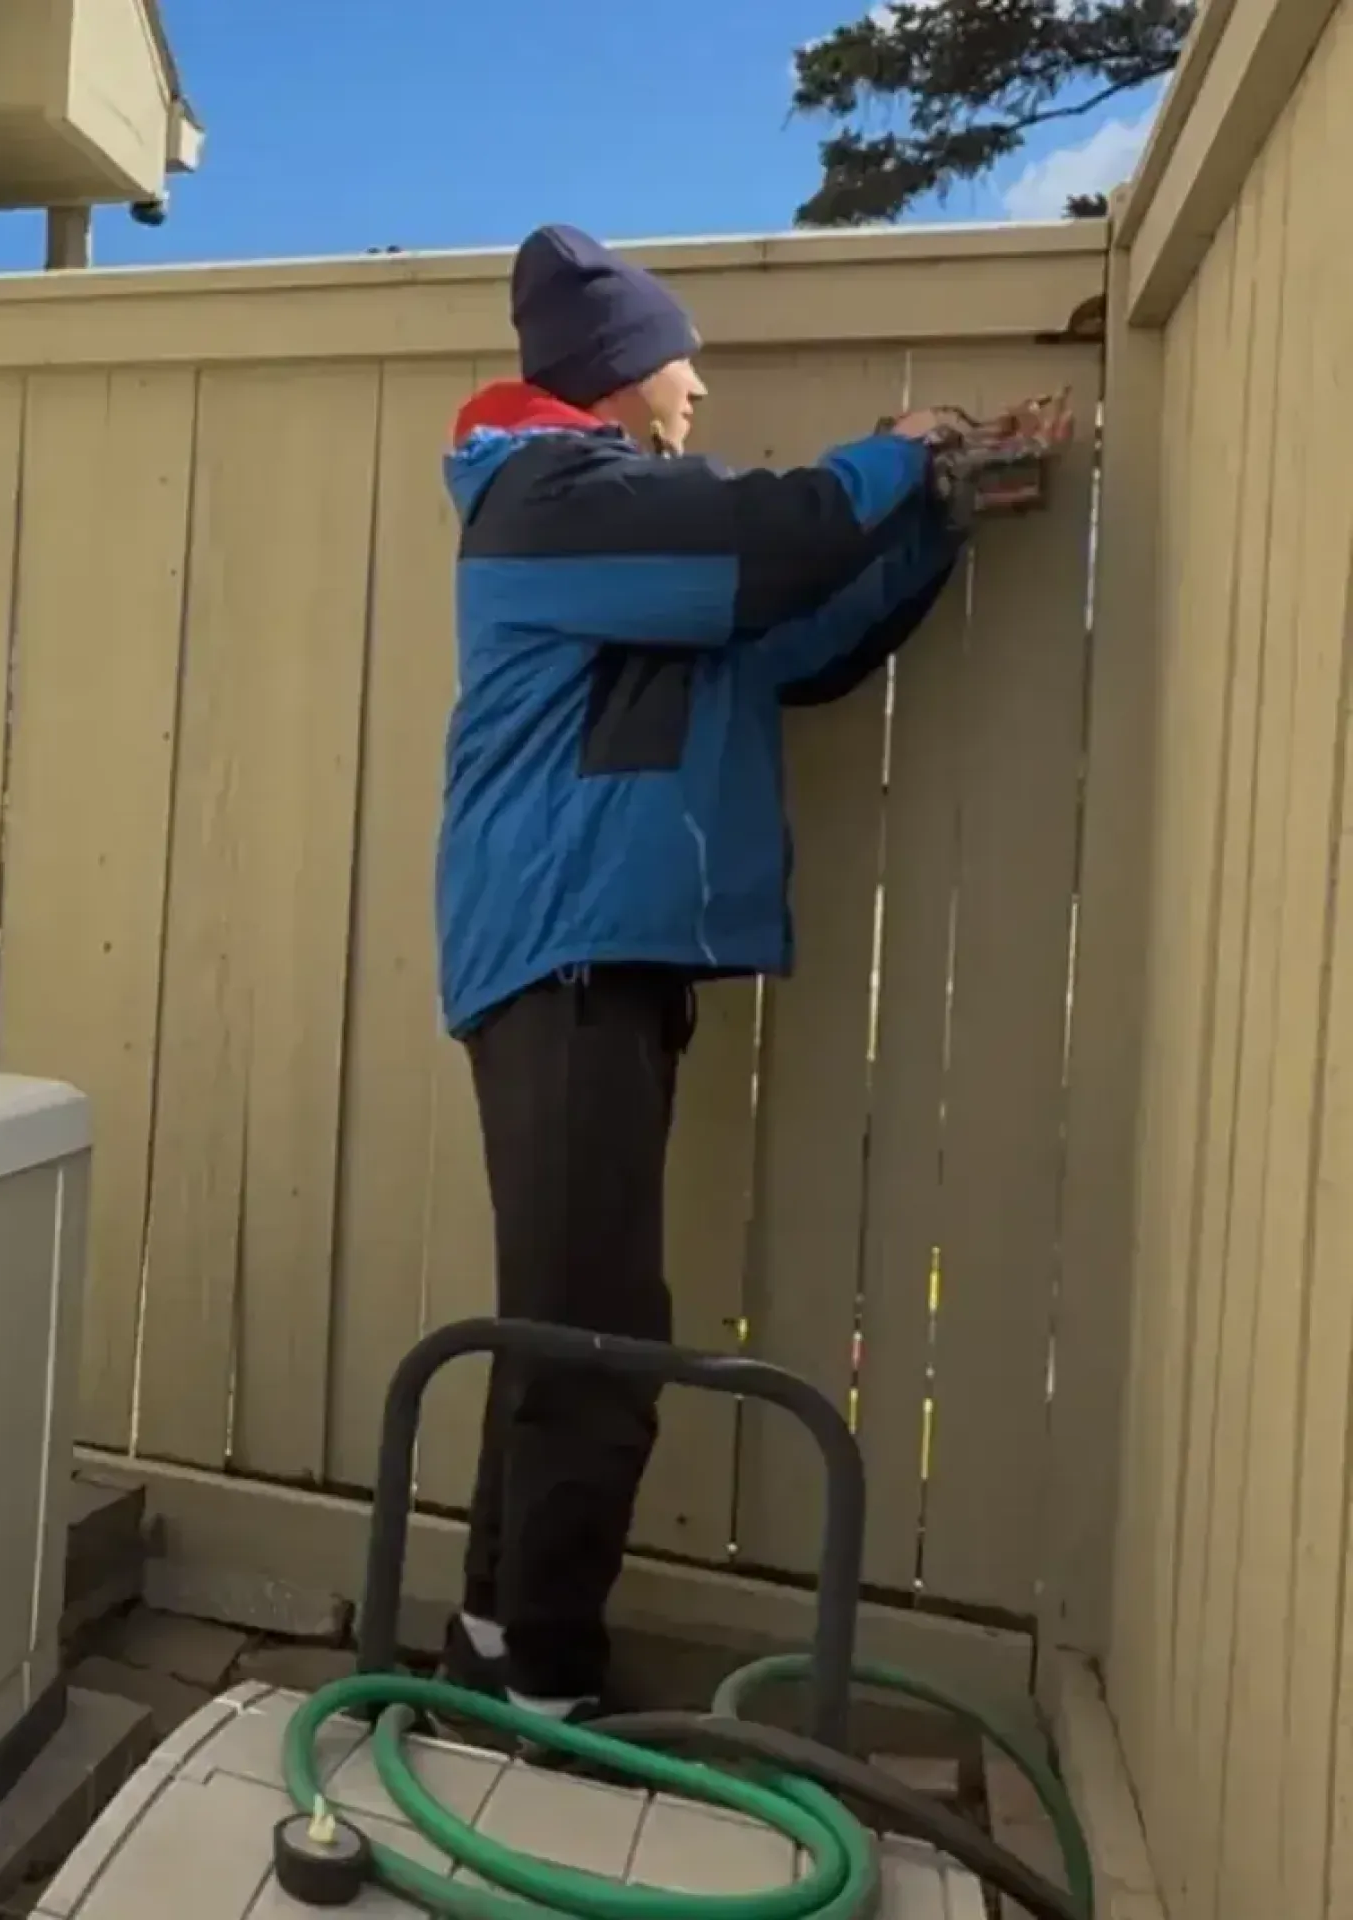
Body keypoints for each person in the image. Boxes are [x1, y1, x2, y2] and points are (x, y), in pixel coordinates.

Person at [433, 224, 966, 1757]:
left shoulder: (629, 546)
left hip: (596, 957)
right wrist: (898, 448)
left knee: (563, 1319)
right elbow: (772, 543)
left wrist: (935, 517)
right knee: (602, 1334)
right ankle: (550, 1689)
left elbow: (800, 637)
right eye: (683, 361)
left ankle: (491, 1645)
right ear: (617, 369)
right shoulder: (552, 498)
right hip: (561, 953)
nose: (699, 389)